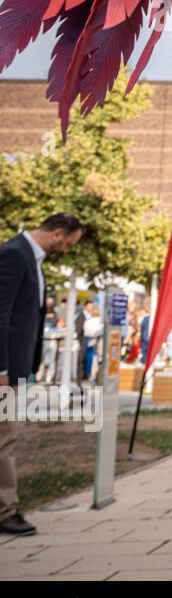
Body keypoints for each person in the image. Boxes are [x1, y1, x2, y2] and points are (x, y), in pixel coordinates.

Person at [0, 213, 84, 536]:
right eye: (68, 244)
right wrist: (3, 369)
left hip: (17, 369)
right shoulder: (14, 255)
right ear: (58, 233)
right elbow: (1, 316)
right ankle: (5, 510)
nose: (66, 250)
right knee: (4, 438)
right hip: (5, 372)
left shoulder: (30, 259)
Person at [82, 300, 103, 382]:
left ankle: (88, 373)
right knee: (96, 358)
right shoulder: (100, 322)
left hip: (88, 339)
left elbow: (85, 330)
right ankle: (95, 374)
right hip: (97, 340)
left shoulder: (88, 321)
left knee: (89, 358)